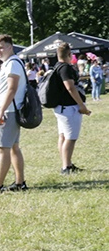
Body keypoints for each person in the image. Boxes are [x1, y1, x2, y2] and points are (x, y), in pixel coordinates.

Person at [0, 34, 28, 195]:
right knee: (13, 147)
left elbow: (12, 88)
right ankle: (20, 182)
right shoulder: (9, 63)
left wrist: (1, 111)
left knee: (2, 148)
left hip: (8, 111)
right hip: (9, 111)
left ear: (10, 46)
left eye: (1, 47)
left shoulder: (12, 64)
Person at [51, 42, 91, 174]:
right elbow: (70, 87)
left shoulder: (56, 66)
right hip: (69, 107)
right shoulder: (65, 68)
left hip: (61, 107)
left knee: (63, 136)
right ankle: (66, 167)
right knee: (71, 138)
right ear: (69, 54)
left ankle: (66, 163)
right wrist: (81, 105)